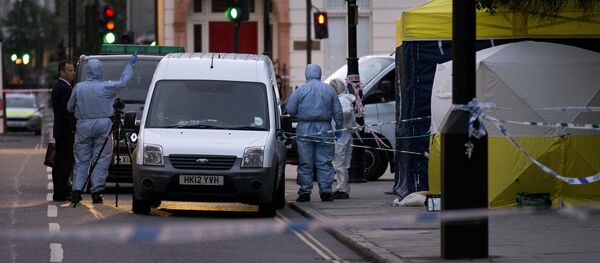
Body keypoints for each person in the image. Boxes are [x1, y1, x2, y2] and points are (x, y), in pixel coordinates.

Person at [67, 52, 137, 204]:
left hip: (83, 124)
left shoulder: (79, 88)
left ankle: (77, 191)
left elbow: (70, 107)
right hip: (103, 124)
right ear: (99, 71)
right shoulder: (106, 87)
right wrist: (130, 65)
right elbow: (123, 82)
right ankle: (96, 192)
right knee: (102, 158)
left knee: (81, 160)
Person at [286, 64, 342, 202]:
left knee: (305, 162)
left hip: (304, 128)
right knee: (325, 161)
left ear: (307, 74)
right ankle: (326, 192)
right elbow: (338, 112)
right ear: (319, 74)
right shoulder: (329, 90)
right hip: (325, 128)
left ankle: (305, 192)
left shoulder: (300, 90)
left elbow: (290, 110)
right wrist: (339, 128)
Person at [51, 60, 76, 202]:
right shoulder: (63, 88)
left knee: (60, 161)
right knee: (64, 162)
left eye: (73, 70)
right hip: (65, 131)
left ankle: (60, 191)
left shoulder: (61, 87)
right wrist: (74, 127)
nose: (73, 73)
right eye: (70, 70)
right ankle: (61, 192)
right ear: (62, 72)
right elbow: (66, 112)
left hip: (61, 130)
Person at [330, 78, 355, 199]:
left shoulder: (342, 100)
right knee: (343, 163)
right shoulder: (344, 99)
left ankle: (342, 189)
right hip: (345, 134)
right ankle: (343, 188)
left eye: (333, 88)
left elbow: (346, 111)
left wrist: (335, 114)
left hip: (342, 135)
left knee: (339, 163)